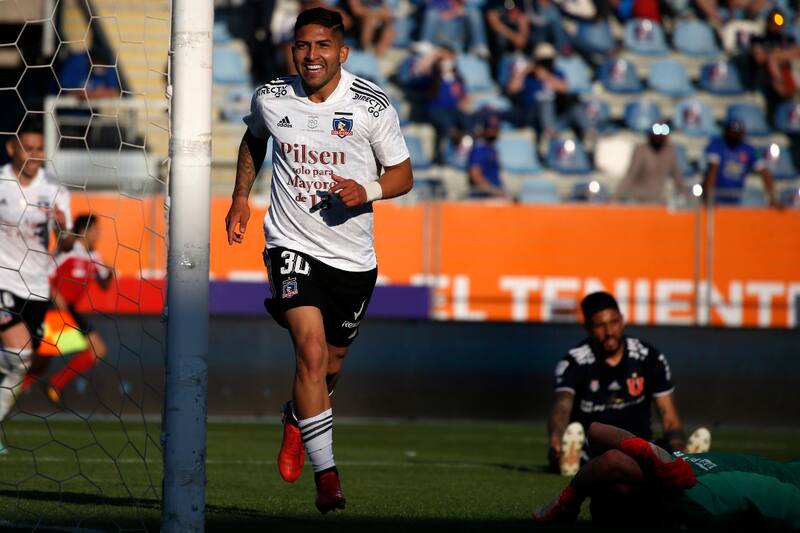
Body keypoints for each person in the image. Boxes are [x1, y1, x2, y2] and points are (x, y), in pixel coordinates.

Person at [224, 7, 413, 513]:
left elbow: (402, 175)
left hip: (352, 257)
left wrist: (366, 190)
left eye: (322, 46)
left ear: (341, 52)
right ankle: (327, 476)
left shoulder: (372, 107)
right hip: (290, 243)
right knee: (309, 354)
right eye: (303, 46)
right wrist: (241, 197)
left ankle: (296, 417)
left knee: (329, 368)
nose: (312, 56)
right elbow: (253, 140)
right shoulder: (271, 96)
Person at [547, 292, 703, 476]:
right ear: (587, 327)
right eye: (600, 325)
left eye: (613, 322)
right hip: (594, 447)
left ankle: (685, 457)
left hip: (639, 443)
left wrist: (678, 444)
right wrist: (557, 439)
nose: (609, 332)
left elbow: (668, 415)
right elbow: (561, 408)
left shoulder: (649, 357)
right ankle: (570, 459)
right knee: (592, 462)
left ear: (622, 320)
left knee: (664, 449)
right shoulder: (574, 362)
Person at [534, 422, 800, 529]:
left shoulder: (669, 477)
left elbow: (595, 432)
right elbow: (610, 461)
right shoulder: (685, 494)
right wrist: (569, 500)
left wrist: (569, 501)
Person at [0, 118, 72, 454]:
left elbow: (69, 243)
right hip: (3, 280)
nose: (34, 156)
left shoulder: (55, 190)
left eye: (39, 149)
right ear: (11, 147)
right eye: (27, 149)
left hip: (37, 288)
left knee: (22, 362)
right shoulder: (1, 183)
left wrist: (64, 229)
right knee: (22, 350)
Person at [22, 214, 112, 403]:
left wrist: (109, 273)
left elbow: (104, 284)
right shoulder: (68, 252)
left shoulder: (94, 256)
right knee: (40, 361)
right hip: (52, 308)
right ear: (83, 231)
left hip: (69, 311)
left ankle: (53, 384)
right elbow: (44, 276)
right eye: (95, 230)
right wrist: (56, 296)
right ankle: (20, 389)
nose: (99, 234)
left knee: (97, 349)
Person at [703, 119, 777, 206]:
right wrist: (709, 198)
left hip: (737, 197)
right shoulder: (717, 145)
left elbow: (765, 173)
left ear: (742, 133)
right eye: (731, 132)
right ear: (726, 132)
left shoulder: (751, 149)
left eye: (737, 133)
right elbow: (712, 171)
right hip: (717, 196)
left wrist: (773, 198)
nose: (734, 135)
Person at [614, 122, 686, 204]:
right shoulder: (641, 150)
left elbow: (678, 179)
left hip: (656, 200)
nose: (659, 137)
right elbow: (630, 176)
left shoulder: (670, 153)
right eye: (656, 133)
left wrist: (688, 198)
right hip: (637, 199)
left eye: (662, 133)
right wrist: (615, 198)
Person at [467, 114, 506, 198]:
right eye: (490, 128)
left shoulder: (493, 149)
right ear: (484, 129)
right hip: (483, 198)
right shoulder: (479, 149)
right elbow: (475, 175)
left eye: (495, 128)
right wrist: (494, 191)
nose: (493, 131)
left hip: (496, 196)